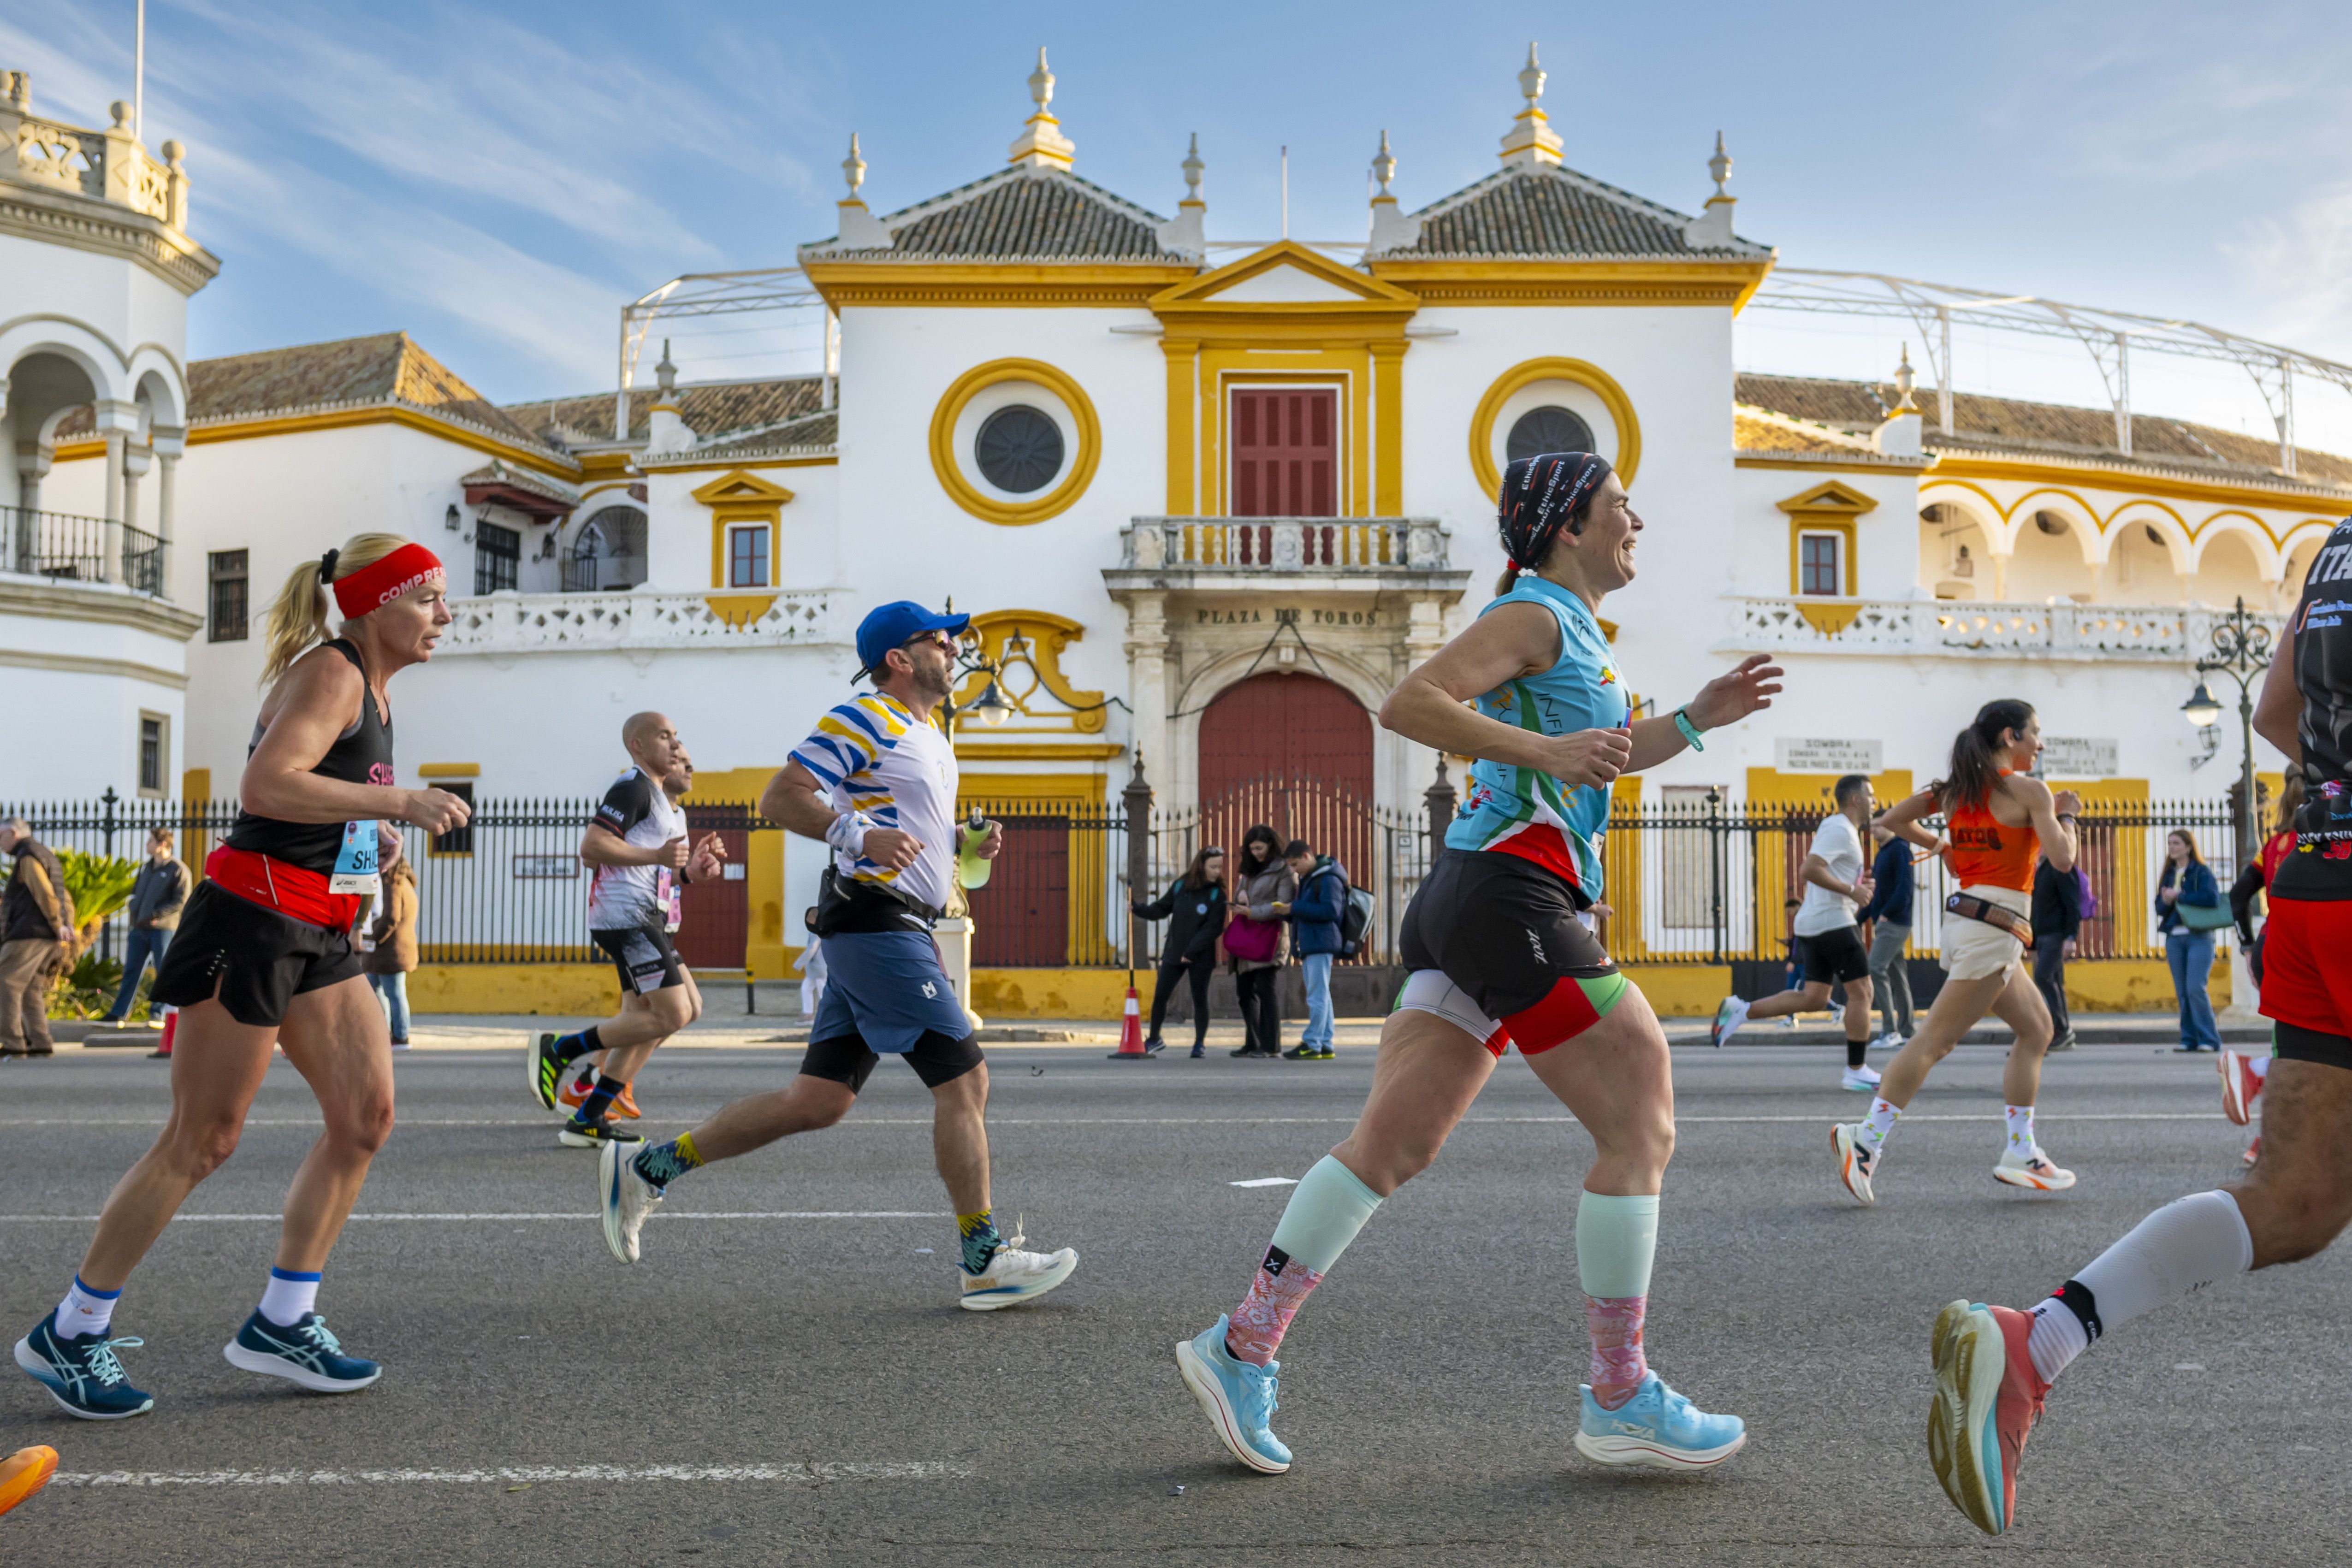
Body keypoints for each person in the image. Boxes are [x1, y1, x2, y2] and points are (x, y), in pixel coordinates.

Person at [1175, 451, 1782, 1476]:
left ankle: (1241, 1344)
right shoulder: (1537, 613)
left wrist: (1696, 718)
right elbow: (1410, 701)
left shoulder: (1575, 628)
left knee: (1391, 1144)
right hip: (1512, 893)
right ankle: (1621, 1389)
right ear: (1569, 526)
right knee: (1641, 1113)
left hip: (1467, 897)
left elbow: (1607, 750)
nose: (1637, 518)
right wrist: (1547, 755)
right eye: (1620, 503)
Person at [1924, 514, 2352, 1538]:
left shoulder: (2335, 544)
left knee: (2294, 1198)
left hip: (2318, 884)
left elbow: (2280, 708)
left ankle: (2039, 1339)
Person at [13, 533, 468, 1420]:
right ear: (375, 606)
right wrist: (396, 801)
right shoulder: (333, 671)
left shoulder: (371, 686)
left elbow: (311, 793)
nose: (445, 617)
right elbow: (267, 784)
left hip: (320, 930)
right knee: (204, 1139)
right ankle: (72, 1329)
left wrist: (363, 836)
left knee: (366, 1117)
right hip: (251, 923)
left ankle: (282, 1319)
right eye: (429, 600)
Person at [592, 601, 1077, 1312]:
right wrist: (855, 834)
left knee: (815, 1102)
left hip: (896, 924)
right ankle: (983, 1259)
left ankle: (646, 1166)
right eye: (940, 639)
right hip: (877, 927)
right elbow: (781, 797)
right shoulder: (867, 717)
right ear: (900, 658)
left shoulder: (933, 735)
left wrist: (968, 852)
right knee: (965, 1082)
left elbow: (934, 856)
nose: (954, 648)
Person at [1827, 701, 2081, 1206]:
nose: (2040, 743)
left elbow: (1891, 818)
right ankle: (1865, 1140)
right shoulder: (2030, 791)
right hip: (1997, 924)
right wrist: (2067, 813)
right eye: (2035, 733)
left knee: (2038, 1029)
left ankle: (2021, 1149)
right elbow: (2063, 858)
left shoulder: (1954, 791)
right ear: (2011, 736)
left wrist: (1943, 848)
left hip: (1971, 920)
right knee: (1933, 1041)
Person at [527, 714, 725, 1146]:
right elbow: (592, 847)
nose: (677, 748)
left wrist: (692, 873)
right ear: (637, 745)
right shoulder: (633, 787)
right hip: (626, 918)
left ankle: (589, 1116)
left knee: (676, 1012)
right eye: (665, 737)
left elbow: (660, 874)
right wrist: (656, 853)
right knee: (672, 1013)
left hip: (649, 917)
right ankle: (560, 1049)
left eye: (678, 738)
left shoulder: (672, 810)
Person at [1711, 775, 1878, 1089]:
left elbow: (1826, 874)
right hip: (1833, 922)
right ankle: (1856, 1070)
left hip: (1818, 922)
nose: (1875, 801)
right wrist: (1850, 891)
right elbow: (1808, 870)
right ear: (1855, 799)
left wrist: (1855, 888)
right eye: (1870, 795)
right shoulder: (1839, 827)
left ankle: (1741, 1010)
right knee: (1862, 992)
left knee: (1814, 997)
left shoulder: (1845, 831)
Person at [2220, 778, 2302, 1166]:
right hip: (2301, 948)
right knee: (2311, 1050)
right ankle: (2253, 1071)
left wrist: (2247, 945)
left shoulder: (2272, 846)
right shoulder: (2327, 840)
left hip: (2271, 944)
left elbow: (2238, 896)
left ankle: (2266, 1140)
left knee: (2292, 1044)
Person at [1134, 846, 1227, 1058]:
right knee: (1161, 996)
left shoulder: (1217, 895)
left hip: (1200, 956)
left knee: (1199, 999)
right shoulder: (1180, 887)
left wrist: (1192, 951)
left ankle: (1199, 1043)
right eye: (1213, 867)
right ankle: (1155, 1038)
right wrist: (1138, 908)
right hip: (1175, 952)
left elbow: (1213, 928)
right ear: (1201, 866)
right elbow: (1161, 908)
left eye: (1219, 867)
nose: (1217, 872)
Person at [101, 828, 189, 1023]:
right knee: (131, 971)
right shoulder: (146, 868)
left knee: (162, 971)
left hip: (163, 930)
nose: (147, 844)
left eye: (151, 841)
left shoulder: (177, 869)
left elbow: (181, 901)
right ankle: (118, 1014)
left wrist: (158, 915)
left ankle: (158, 1013)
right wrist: (133, 908)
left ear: (163, 844)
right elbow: (135, 893)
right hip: (139, 929)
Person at [0, 819, 70, 1059]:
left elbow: (45, 894)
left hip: (29, 934)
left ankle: (13, 1043)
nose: (0, 844)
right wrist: (62, 924)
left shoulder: (28, 857)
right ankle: (41, 1042)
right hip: (44, 933)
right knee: (31, 988)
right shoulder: (44, 854)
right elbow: (62, 894)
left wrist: (58, 924)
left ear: (13, 833)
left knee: (6, 983)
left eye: (1, 837)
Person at [1226, 826, 1294, 1059]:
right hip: (1246, 939)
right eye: (1252, 849)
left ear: (1270, 846)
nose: (1256, 853)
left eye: (1260, 848)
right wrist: (1239, 898)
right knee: (1244, 992)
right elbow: (1239, 894)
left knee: (1266, 991)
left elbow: (1283, 904)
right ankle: (1253, 1042)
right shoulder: (1248, 871)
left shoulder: (1283, 870)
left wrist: (1252, 911)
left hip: (1270, 938)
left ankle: (1272, 1045)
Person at [2156, 828, 2222, 1053]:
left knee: (2196, 988)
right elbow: (2159, 907)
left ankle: (2210, 1039)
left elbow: (2211, 898)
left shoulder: (2200, 871)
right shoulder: (2168, 873)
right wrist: (2165, 901)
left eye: (2176, 843)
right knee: (2182, 991)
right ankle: (2189, 1039)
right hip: (2175, 937)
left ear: (2188, 847)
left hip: (2199, 937)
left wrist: (2179, 896)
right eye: (2170, 843)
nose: (2172, 848)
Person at [1284, 839, 1347, 1061]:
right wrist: (1288, 911)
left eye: (1294, 865)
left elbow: (1331, 910)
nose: (1293, 870)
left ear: (1306, 856)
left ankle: (1312, 1043)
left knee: (1316, 996)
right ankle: (1326, 1043)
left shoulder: (1328, 877)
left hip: (1321, 942)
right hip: (1313, 942)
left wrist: (1295, 907)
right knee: (1322, 995)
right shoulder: (1311, 877)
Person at [1857, 822, 1919, 1049]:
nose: (1873, 830)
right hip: (1887, 921)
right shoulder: (1883, 854)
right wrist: (1858, 920)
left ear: (1892, 827)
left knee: (1875, 968)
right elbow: (1878, 893)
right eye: (1872, 827)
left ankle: (1890, 1030)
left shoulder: (1900, 849)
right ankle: (1906, 1031)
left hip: (1894, 922)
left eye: (1878, 826)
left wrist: (1886, 914)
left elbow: (1905, 887)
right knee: (1897, 976)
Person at [2029, 850, 2083, 1052]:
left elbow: (2073, 903)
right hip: (2043, 935)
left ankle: (2060, 1029)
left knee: (2044, 977)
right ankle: (2062, 1031)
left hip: (2056, 935)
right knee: (2054, 982)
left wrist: (2071, 937)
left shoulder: (2062, 867)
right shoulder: (2041, 868)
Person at [361, 859, 417, 1048]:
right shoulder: (405, 881)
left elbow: (391, 917)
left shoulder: (392, 882)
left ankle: (401, 1036)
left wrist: (373, 939)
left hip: (389, 951)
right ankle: (384, 1033)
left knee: (393, 993)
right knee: (376, 990)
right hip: (392, 951)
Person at [796, 905, 828, 1021]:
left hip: (820, 967)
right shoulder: (816, 930)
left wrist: (799, 964)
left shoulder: (817, 930)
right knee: (806, 988)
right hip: (814, 968)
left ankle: (825, 1016)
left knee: (822, 992)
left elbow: (812, 948)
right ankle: (808, 1014)